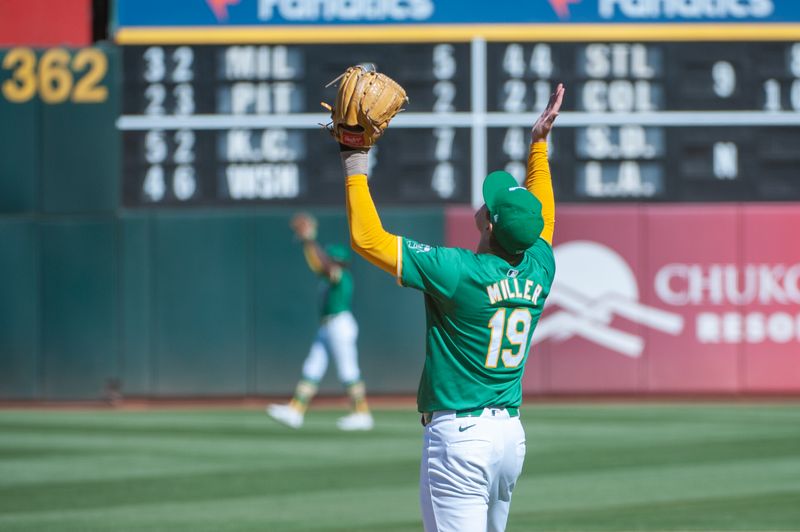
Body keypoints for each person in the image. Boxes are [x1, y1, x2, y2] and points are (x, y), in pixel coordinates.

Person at [336, 83, 565, 531]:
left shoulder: (459, 271)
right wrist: (539, 144)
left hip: (461, 439)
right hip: (508, 438)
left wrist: (354, 159)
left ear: (490, 223)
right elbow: (545, 215)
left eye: (491, 201)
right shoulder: (541, 263)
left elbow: (368, 240)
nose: (485, 200)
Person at [267, 212, 374, 431]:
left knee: (348, 370)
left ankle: (362, 413)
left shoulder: (340, 276)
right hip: (328, 327)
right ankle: (296, 410)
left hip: (340, 325)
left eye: (332, 258)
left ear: (339, 261)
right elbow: (320, 264)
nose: (329, 259)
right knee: (312, 366)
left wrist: (309, 240)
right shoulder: (330, 276)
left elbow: (323, 265)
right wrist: (308, 244)